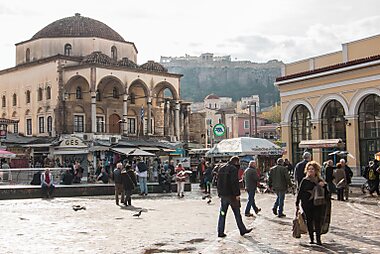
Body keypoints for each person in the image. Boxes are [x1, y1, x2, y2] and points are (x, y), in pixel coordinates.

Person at [217, 156, 253, 238]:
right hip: (232, 196)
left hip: (223, 196)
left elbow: (218, 182)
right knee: (237, 213)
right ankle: (242, 229)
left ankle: (220, 231)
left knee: (222, 213)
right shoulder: (233, 169)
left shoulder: (221, 168)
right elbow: (234, 182)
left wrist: (219, 193)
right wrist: (237, 194)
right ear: (236, 162)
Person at [296, 161, 328, 245]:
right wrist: (297, 203)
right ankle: (311, 238)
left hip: (318, 203)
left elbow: (327, 193)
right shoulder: (305, 180)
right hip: (307, 204)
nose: (310, 171)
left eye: (312, 169)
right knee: (309, 221)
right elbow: (300, 192)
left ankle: (318, 239)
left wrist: (323, 186)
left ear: (316, 170)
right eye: (309, 169)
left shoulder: (320, 180)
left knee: (318, 221)